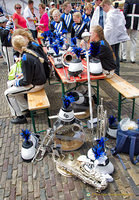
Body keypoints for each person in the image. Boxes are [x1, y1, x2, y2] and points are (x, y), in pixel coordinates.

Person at [4, 35, 46, 124]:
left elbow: (26, 81)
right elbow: (30, 71)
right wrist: (21, 75)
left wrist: (17, 82)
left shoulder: (25, 58)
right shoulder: (28, 53)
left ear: (15, 47)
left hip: (36, 84)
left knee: (7, 94)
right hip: (37, 80)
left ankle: (19, 116)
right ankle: (26, 109)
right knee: (9, 84)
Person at [100, 0, 129, 75]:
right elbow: (123, 24)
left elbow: (108, 28)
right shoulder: (119, 13)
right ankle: (117, 71)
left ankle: (114, 72)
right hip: (118, 37)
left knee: (112, 56)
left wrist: (103, 37)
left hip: (111, 38)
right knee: (116, 55)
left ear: (106, 5)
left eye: (103, 8)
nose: (103, 10)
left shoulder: (110, 14)